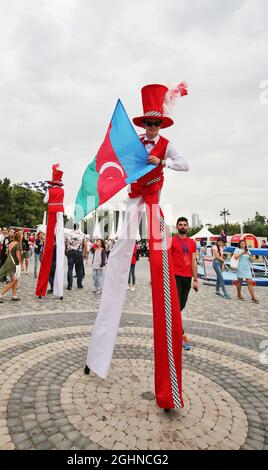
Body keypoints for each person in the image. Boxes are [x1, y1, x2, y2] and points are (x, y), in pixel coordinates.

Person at [85, 83, 189, 411]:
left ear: (162, 125)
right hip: (132, 206)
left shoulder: (168, 146)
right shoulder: (133, 144)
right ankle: (97, 357)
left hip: (154, 205)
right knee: (116, 262)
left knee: (161, 271)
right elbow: (113, 163)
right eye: (147, 123)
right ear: (142, 124)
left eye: (155, 123)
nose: (151, 127)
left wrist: (162, 161)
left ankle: (168, 389)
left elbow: (185, 164)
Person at [36, 164, 65, 299]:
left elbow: (45, 200)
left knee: (49, 243)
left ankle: (42, 289)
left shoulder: (50, 190)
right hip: (60, 212)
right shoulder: (62, 191)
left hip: (52, 212)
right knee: (59, 238)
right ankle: (58, 291)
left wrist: (47, 192)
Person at [171, 217, 198, 351]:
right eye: (180, 224)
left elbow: (193, 261)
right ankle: (181, 335)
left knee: (181, 305)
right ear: (177, 227)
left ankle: (172, 326)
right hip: (175, 276)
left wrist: (196, 280)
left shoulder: (192, 243)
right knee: (176, 307)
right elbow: (167, 261)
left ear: (187, 227)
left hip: (187, 277)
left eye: (185, 225)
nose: (182, 226)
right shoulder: (172, 241)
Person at [0, 231, 24, 302]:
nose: (22, 237)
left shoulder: (11, 243)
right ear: (19, 237)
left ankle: (14, 295)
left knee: (14, 280)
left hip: (10, 263)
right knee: (14, 281)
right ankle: (0, 294)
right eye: (22, 236)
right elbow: (18, 256)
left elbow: (6, 252)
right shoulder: (17, 245)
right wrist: (22, 265)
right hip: (14, 265)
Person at [65, 223, 84, 290]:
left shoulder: (68, 234)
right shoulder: (81, 234)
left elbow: (66, 243)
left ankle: (69, 285)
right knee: (79, 269)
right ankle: (79, 284)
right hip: (78, 252)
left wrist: (66, 251)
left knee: (70, 269)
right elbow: (83, 244)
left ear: (73, 227)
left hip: (70, 252)